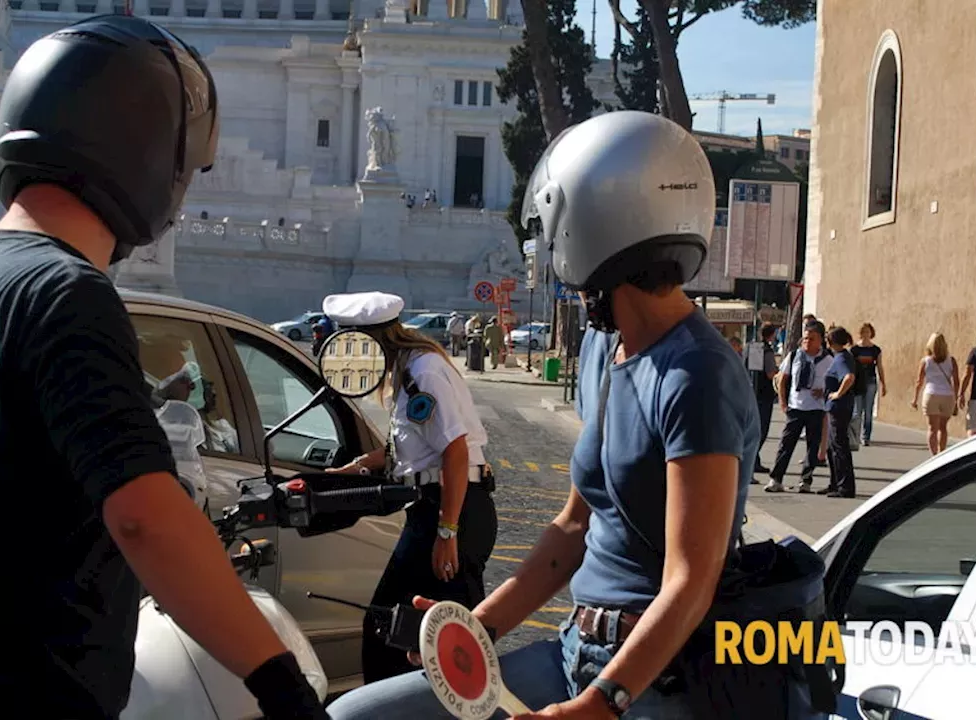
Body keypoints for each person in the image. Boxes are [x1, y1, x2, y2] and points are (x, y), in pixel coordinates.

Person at [0, 16, 325, 720]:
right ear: (140, 147)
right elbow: (145, 519)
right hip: (8, 699)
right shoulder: (66, 294)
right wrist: (281, 684)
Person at [328, 111, 831, 720]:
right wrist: (476, 628)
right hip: (575, 649)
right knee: (360, 715)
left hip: (654, 681)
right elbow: (571, 531)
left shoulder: (697, 375)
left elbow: (691, 580)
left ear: (592, 226)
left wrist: (603, 704)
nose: (547, 246)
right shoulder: (604, 347)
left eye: (553, 225)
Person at [322, 291, 498, 684]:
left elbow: (454, 451)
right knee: (420, 636)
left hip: (452, 508)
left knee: (406, 632)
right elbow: (409, 449)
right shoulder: (407, 371)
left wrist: (446, 532)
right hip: (438, 506)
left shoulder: (423, 371)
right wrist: (354, 468)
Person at [765, 322, 832, 494]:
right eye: (805, 338)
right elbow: (783, 380)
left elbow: (834, 385)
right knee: (786, 444)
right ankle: (776, 479)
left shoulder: (828, 360)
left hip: (816, 408)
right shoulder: (794, 356)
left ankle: (806, 480)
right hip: (795, 407)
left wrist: (823, 391)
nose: (807, 342)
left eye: (812, 339)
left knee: (812, 446)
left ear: (820, 340)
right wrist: (782, 402)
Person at [820, 327, 858, 498]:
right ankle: (835, 483)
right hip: (837, 407)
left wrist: (837, 394)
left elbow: (849, 377)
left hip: (839, 408)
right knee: (832, 447)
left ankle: (845, 487)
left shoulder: (842, 358)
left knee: (839, 447)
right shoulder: (843, 357)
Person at [912, 332, 959, 455]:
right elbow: (956, 381)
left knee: (932, 428)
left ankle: (934, 455)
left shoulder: (925, 361)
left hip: (931, 394)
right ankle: (942, 453)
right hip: (947, 396)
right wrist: (956, 399)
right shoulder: (951, 361)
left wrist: (915, 399)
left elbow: (919, 381)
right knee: (943, 428)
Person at [747, 324, 779, 476]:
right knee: (761, 429)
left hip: (751, 391)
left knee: (754, 428)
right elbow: (770, 373)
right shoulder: (766, 351)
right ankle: (751, 461)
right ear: (771, 334)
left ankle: (755, 461)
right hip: (764, 394)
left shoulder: (751, 347)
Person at [849, 322, 885, 446]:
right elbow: (850, 367)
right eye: (863, 331)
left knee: (868, 411)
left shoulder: (876, 350)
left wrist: (883, 383)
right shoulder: (854, 350)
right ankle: (855, 436)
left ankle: (866, 436)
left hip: (870, 381)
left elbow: (880, 367)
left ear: (871, 333)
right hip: (857, 383)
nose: (865, 334)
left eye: (868, 331)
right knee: (857, 411)